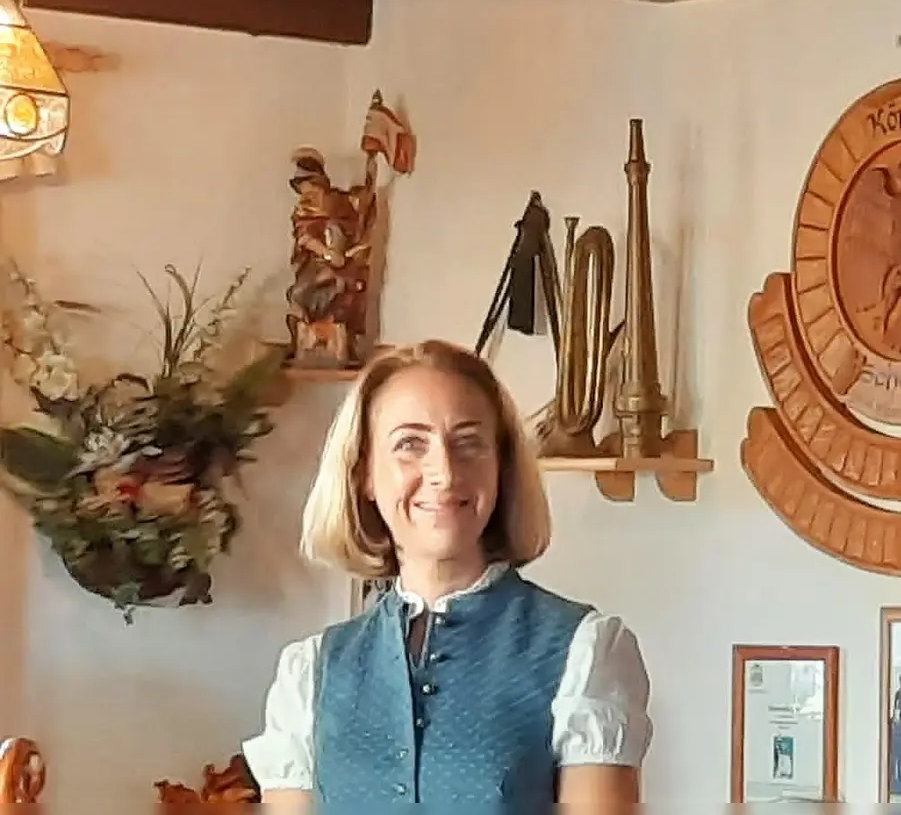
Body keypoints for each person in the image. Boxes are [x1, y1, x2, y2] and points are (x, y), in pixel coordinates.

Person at [242, 340, 652, 810]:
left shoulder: (584, 651)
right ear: (365, 475)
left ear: (500, 470)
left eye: (468, 443)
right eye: (410, 444)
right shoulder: (310, 671)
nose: (443, 472)